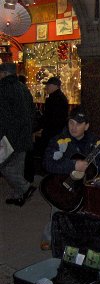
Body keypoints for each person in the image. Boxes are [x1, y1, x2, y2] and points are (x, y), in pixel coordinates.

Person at [40, 106, 100, 250]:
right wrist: (73, 165)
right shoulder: (60, 141)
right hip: (62, 185)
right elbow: (48, 164)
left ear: (87, 126)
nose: (74, 127)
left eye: (78, 124)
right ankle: (50, 236)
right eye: (71, 122)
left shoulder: (96, 142)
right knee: (61, 207)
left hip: (86, 186)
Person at [0, 63, 37, 207]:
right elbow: (32, 111)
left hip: (9, 136)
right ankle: (19, 195)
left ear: (3, 73)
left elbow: (3, 116)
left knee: (4, 166)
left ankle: (25, 188)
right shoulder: (23, 87)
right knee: (17, 166)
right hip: (24, 134)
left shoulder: (3, 89)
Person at [36, 76, 69, 159]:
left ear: (55, 86)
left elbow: (49, 117)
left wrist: (40, 127)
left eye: (48, 85)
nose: (46, 87)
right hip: (55, 130)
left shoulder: (54, 99)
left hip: (52, 132)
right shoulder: (59, 97)